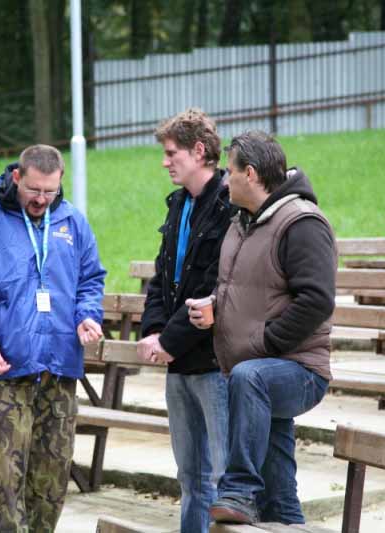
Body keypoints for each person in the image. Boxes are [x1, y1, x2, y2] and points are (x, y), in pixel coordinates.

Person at [0, 144, 106, 532]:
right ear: (17, 177)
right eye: (34, 190)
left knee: (51, 481)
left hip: (59, 369)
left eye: (50, 191)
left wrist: (87, 315)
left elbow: (90, 279)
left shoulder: (71, 221)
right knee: (5, 483)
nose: (42, 200)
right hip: (6, 369)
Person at [188, 131, 336, 525]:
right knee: (280, 499)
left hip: (299, 370)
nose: (224, 181)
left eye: (230, 172)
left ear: (250, 173)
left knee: (249, 377)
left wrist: (264, 342)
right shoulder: (242, 223)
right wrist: (215, 306)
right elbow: (243, 287)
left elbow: (317, 301)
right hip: (256, 375)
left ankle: (238, 490)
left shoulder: (302, 223)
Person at [137, 108, 233, 533]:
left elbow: (215, 284)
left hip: (213, 364)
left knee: (224, 482)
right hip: (178, 364)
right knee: (189, 479)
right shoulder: (178, 204)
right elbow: (162, 276)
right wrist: (153, 331)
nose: (165, 162)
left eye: (171, 153)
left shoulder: (229, 206)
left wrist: (168, 343)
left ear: (198, 151)